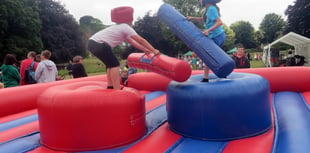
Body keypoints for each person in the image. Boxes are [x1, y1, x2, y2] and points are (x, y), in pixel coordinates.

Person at [87, 6, 160, 90]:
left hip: (91, 43)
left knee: (110, 65)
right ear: (129, 18)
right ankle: (116, 89)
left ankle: (110, 85)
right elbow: (141, 40)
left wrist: (144, 50)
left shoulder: (119, 27)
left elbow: (133, 42)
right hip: (99, 44)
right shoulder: (125, 27)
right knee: (115, 65)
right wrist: (153, 50)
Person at [187, 0, 225, 82]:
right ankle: (207, 77)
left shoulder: (211, 9)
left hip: (217, 36)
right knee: (208, 56)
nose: (199, 1)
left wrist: (208, 30)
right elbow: (203, 19)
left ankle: (208, 77)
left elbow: (219, 22)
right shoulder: (208, 10)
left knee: (207, 55)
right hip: (215, 36)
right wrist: (192, 18)